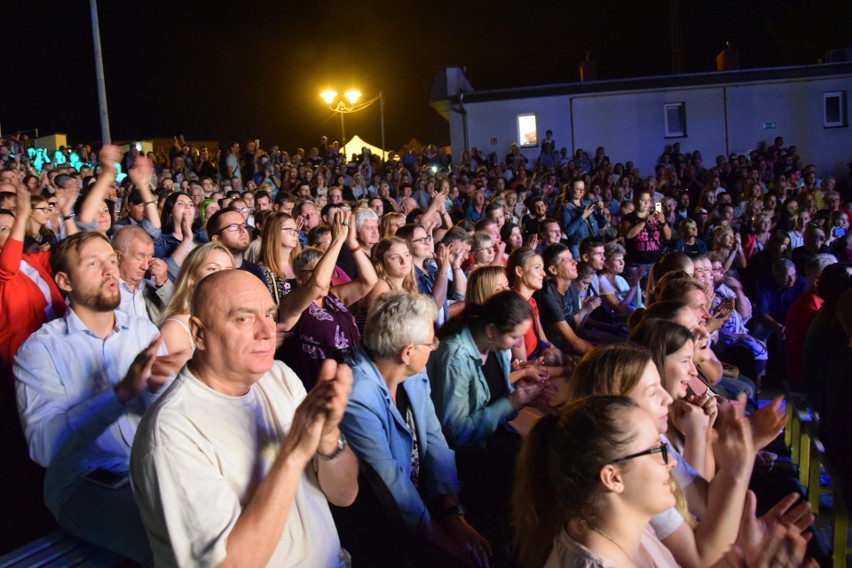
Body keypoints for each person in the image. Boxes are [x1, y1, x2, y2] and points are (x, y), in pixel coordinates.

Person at [130, 269, 358, 567]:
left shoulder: (279, 376)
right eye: (243, 318)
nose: (267, 330)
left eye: (269, 313)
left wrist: (329, 439)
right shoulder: (172, 431)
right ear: (199, 334)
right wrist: (293, 454)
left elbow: (345, 494)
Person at [15, 231, 184, 564]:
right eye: (94, 264)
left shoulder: (143, 332)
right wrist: (119, 395)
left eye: (111, 260)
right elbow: (44, 447)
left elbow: (169, 417)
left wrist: (168, 391)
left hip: (152, 467)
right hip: (85, 485)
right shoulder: (40, 350)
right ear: (64, 281)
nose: (111, 271)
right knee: (175, 537)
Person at [513, 395, 813, 568]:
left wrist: (744, 558)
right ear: (613, 477)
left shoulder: (628, 529)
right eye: (656, 451)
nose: (669, 462)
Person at [340, 292, 492, 567]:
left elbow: (434, 439)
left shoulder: (413, 373)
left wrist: (453, 516)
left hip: (423, 503)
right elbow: (391, 486)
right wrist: (450, 547)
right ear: (407, 352)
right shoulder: (357, 395)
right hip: (384, 524)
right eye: (431, 342)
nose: (435, 346)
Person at [280, 211, 377, 389]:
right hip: (317, 388)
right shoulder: (292, 302)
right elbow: (317, 283)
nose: (327, 277)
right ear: (300, 278)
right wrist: (337, 241)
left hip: (353, 381)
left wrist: (352, 243)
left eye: (329, 270)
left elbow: (369, 281)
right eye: (318, 270)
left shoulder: (334, 296)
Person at [158, 242, 235, 365]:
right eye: (212, 269)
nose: (222, 275)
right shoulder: (175, 329)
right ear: (191, 278)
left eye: (228, 270)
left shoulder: (232, 321)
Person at [113, 226, 174, 322]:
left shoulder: (153, 287)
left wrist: (163, 283)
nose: (145, 266)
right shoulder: (103, 291)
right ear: (117, 257)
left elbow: (179, 312)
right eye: (139, 257)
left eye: (150, 257)